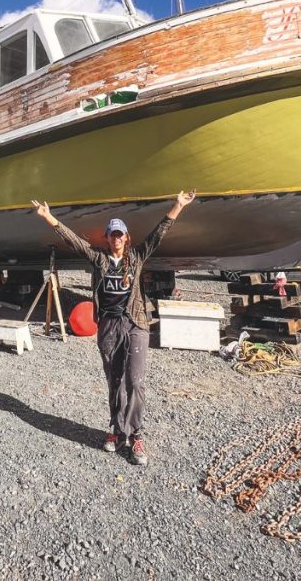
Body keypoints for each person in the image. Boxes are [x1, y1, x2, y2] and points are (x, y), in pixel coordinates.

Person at [30, 191, 196, 466]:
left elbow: (158, 234)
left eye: (121, 234)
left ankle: (137, 435)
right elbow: (74, 242)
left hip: (135, 324)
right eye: (112, 235)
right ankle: (118, 431)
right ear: (107, 239)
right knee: (115, 382)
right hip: (108, 326)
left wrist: (178, 205)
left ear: (126, 238)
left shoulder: (137, 257)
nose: (117, 238)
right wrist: (50, 218)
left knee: (135, 382)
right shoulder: (100, 260)